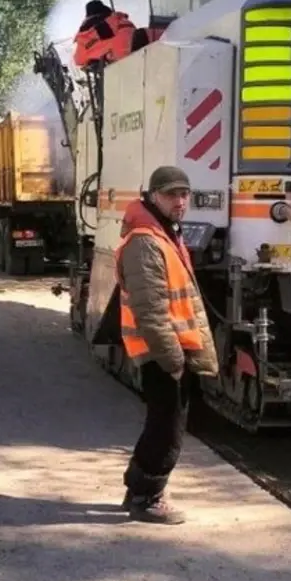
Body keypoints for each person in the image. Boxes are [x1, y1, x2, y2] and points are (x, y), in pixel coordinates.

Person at [116, 166, 219, 523]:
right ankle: (147, 497)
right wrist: (173, 360)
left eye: (185, 194)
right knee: (167, 428)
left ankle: (139, 488)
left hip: (170, 349)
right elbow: (151, 312)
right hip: (162, 353)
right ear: (153, 196)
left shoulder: (161, 234)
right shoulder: (145, 241)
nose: (180, 201)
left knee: (163, 423)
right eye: (172, 194)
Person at [72, 0, 139, 68]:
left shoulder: (85, 36)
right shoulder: (123, 20)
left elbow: (78, 60)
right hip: (142, 55)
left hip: (120, 67)